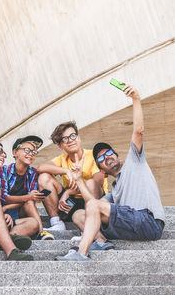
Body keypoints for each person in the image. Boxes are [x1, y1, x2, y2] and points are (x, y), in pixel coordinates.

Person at [55, 83, 165, 261]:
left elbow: (139, 131)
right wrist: (79, 180)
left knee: (94, 207)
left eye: (108, 153)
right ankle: (100, 241)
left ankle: (81, 252)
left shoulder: (135, 162)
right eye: (101, 158)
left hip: (148, 221)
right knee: (78, 214)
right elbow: (92, 205)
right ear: (102, 170)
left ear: (117, 155)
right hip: (129, 225)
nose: (107, 157)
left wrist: (136, 99)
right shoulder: (115, 190)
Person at [37, 121, 108, 240]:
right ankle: (57, 223)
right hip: (71, 205)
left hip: (95, 202)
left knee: (91, 184)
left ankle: (88, 229)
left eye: (73, 136)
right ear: (60, 146)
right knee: (43, 177)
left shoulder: (92, 155)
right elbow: (40, 168)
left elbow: (98, 181)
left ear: (79, 138)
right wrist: (66, 171)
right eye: (65, 139)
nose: (70, 140)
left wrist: (69, 191)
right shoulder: (62, 159)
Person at [0, 135, 54, 245]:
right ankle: (7, 239)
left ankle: (40, 232)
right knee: (29, 199)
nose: (31, 153)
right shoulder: (5, 170)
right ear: (15, 152)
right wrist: (27, 198)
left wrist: (28, 198)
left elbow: (29, 200)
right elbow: (3, 198)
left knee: (32, 216)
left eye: (34, 152)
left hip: (20, 212)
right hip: (2, 214)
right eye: (27, 150)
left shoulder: (33, 172)